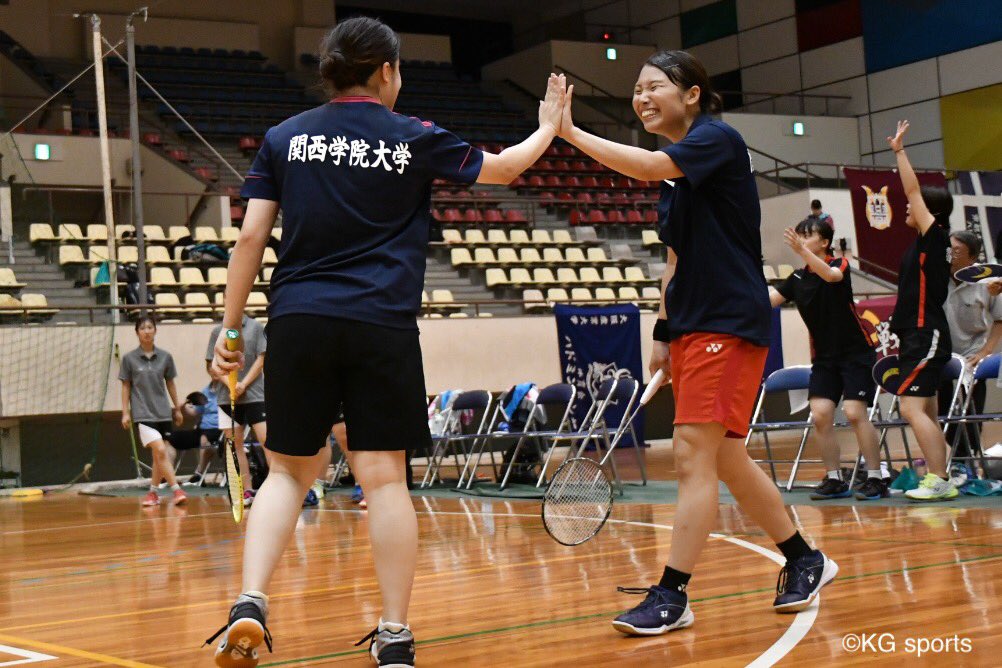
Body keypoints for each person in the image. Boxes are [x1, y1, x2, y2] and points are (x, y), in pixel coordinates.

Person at [206, 17, 566, 668]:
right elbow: (506, 170)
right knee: (384, 480)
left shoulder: (285, 139)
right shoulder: (414, 137)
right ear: (386, 72)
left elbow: (251, 240)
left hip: (300, 319)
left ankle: (250, 602)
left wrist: (231, 332)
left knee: (287, 472)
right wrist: (549, 125)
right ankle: (395, 635)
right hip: (381, 323)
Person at [555, 49, 837, 637]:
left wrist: (570, 131)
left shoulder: (716, 140)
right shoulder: (679, 177)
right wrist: (663, 330)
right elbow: (675, 259)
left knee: (689, 452)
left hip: (728, 321)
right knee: (726, 456)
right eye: (636, 90)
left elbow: (646, 168)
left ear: (691, 94)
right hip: (692, 325)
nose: (641, 97)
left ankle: (672, 594)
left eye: (654, 86)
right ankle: (804, 557)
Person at [769, 218, 886, 500]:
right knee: (820, 414)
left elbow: (831, 277)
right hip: (824, 357)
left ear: (824, 243)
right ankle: (834, 479)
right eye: (799, 235)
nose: (801, 239)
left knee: (856, 413)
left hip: (856, 352)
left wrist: (803, 252)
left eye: (808, 236)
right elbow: (767, 301)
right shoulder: (797, 278)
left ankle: (875, 477)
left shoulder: (839, 265)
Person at [885, 120, 957, 502]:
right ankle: (945, 472)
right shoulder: (925, 243)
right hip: (918, 334)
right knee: (926, 411)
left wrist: (899, 151)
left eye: (916, 205)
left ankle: (939, 478)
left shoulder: (935, 234)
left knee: (910, 407)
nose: (908, 206)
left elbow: (911, 188)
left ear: (930, 211)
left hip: (925, 334)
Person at [938, 230, 1002, 462]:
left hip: (973, 353)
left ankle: (971, 458)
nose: (951, 255)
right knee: (944, 412)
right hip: (942, 354)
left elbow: (999, 319)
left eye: (957, 251)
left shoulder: (988, 283)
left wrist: (985, 352)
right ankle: (954, 459)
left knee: (971, 412)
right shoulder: (935, 277)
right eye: (949, 249)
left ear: (973, 258)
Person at [119, 316, 187, 507]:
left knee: (159, 456)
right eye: (143, 328)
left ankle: (153, 493)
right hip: (143, 413)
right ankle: (177, 489)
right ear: (137, 332)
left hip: (163, 412)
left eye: (150, 327)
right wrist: (125, 412)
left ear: (155, 330)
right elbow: (125, 386)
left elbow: (171, 383)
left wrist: (177, 408)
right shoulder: (129, 359)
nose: (147, 331)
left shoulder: (165, 357)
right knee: (160, 449)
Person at [205, 314, 267, 506]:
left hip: (255, 394)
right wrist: (231, 384)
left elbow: (262, 359)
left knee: (268, 441)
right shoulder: (217, 332)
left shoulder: (256, 327)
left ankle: (275, 490)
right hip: (227, 397)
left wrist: (243, 383)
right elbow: (211, 366)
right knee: (234, 445)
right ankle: (246, 491)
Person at [184, 385, 223, 487]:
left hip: (220, 428)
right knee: (201, 440)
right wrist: (184, 406)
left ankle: (199, 473)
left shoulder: (225, 389)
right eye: (210, 368)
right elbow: (195, 411)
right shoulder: (205, 391)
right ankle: (199, 472)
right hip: (203, 428)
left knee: (204, 439)